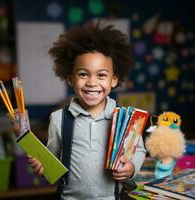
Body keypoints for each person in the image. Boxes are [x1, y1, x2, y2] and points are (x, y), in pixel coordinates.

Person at [29, 22, 146, 200]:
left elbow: (138, 151)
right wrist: (43, 167)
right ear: (70, 78)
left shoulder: (126, 118)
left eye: (101, 75)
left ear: (114, 80)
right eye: (83, 74)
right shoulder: (58, 118)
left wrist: (131, 168)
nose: (92, 82)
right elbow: (51, 162)